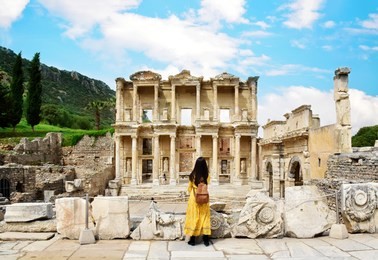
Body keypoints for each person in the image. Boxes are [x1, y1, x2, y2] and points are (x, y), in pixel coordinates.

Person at [184, 157, 211, 246]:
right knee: (205, 217)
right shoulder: (207, 175)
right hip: (204, 198)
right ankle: (206, 240)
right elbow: (207, 184)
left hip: (194, 198)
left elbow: (189, 188)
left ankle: (192, 240)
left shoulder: (192, 175)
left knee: (194, 217)